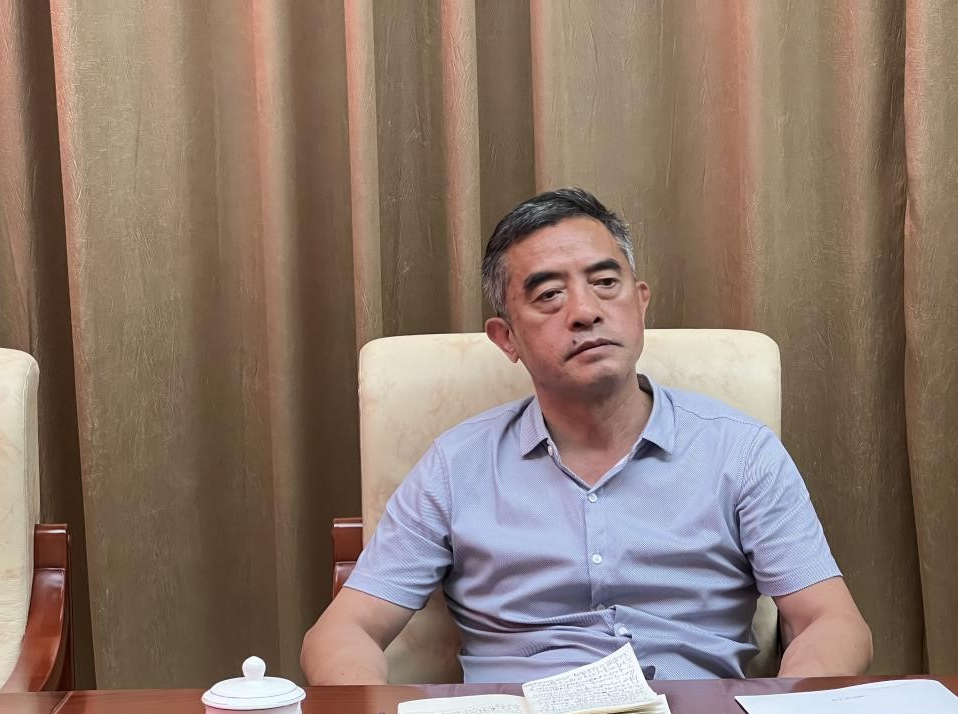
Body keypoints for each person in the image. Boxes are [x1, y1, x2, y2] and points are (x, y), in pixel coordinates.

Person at [302, 188, 871, 685]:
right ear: (506, 338)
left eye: (605, 283)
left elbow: (831, 620)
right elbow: (343, 632)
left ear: (640, 303)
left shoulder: (739, 452)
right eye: (548, 295)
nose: (584, 311)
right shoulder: (457, 466)